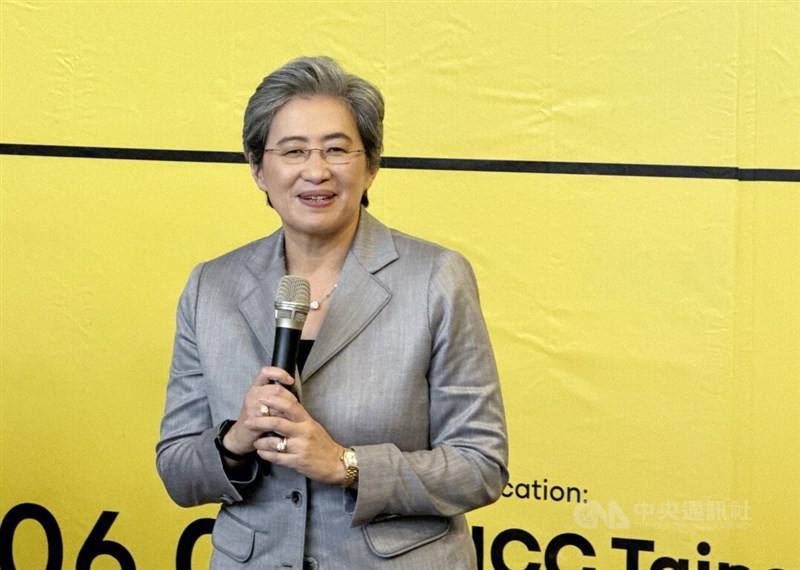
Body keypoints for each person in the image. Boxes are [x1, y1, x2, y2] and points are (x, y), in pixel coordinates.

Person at [156, 56, 508, 569]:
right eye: (293, 151)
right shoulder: (212, 285)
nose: (316, 170)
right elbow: (176, 470)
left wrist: (347, 465)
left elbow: (481, 465)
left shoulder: (435, 277)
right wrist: (235, 441)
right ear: (258, 168)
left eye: (337, 149)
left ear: (371, 166)